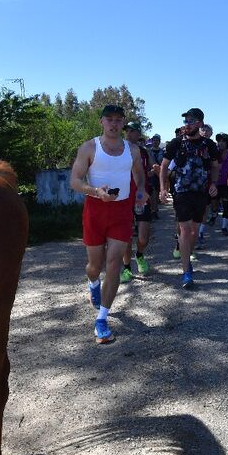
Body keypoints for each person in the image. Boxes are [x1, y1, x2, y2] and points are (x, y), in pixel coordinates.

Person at [69, 104, 148, 343]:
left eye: (118, 120)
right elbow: (74, 180)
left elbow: (139, 174)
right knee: (95, 265)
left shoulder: (132, 150)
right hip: (95, 209)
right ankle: (93, 283)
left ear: (123, 123)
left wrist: (142, 190)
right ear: (101, 122)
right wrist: (95, 191)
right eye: (109, 119)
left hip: (122, 211)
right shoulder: (90, 147)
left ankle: (102, 319)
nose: (114, 124)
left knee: (114, 263)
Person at [159, 107, 220, 288]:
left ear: (199, 123)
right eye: (185, 121)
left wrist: (214, 184)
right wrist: (163, 189)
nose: (186, 124)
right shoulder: (175, 143)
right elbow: (163, 167)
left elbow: (215, 166)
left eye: (190, 121)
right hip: (181, 192)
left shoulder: (209, 146)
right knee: (185, 230)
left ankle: (187, 256)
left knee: (194, 231)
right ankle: (186, 272)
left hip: (201, 193)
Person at [120, 121, 158, 280]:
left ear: (138, 134)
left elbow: (151, 167)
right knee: (126, 237)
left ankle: (140, 255)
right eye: (127, 130)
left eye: (132, 131)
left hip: (141, 198)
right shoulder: (118, 150)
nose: (129, 133)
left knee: (143, 237)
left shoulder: (143, 151)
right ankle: (127, 268)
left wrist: (154, 169)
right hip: (123, 198)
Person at [214, 133, 228, 236]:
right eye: (219, 141)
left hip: (226, 183)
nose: (221, 143)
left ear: (227, 143)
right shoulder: (214, 153)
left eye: (223, 141)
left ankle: (224, 227)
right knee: (213, 204)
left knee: (226, 205)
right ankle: (213, 215)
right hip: (215, 183)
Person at [146, 134, 164, 219]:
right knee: (151, 192)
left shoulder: (163, 152)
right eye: (154, 140)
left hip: (159, 174)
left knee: (156, 193)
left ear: (159, 141)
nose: (156, 142)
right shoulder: (148, 151)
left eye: (157, 140)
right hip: (151, 174)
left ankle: (155, 209)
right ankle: (152, 210)